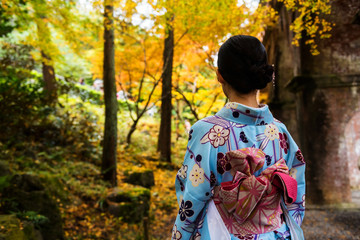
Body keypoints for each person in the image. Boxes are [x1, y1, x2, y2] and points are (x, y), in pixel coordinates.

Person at [172, 35, 305, 240]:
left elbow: (193, 197)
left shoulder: (207, 132)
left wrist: (179, 236)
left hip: (221, 233)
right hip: (277, 234)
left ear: (220, 75)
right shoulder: (280, 131)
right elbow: (296, 193)